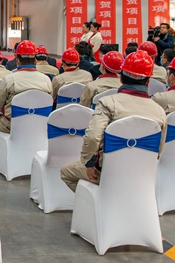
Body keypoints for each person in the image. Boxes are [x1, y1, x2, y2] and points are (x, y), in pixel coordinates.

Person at [59, 50, 167, 191]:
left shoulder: (107, 103)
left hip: (107, 172)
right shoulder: (159, 111)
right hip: (142, 174)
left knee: (66, 173)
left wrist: (89, 164)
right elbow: (159, 150)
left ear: (121, 78)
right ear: (148, 82)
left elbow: (93, 137)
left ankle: (97, 200)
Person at [0, 41, 53, 138]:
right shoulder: (46, 80)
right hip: (40, 124)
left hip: (13, 125)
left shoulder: (9, 79)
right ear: (35, 60)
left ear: (17, 60)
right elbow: (50, 102)